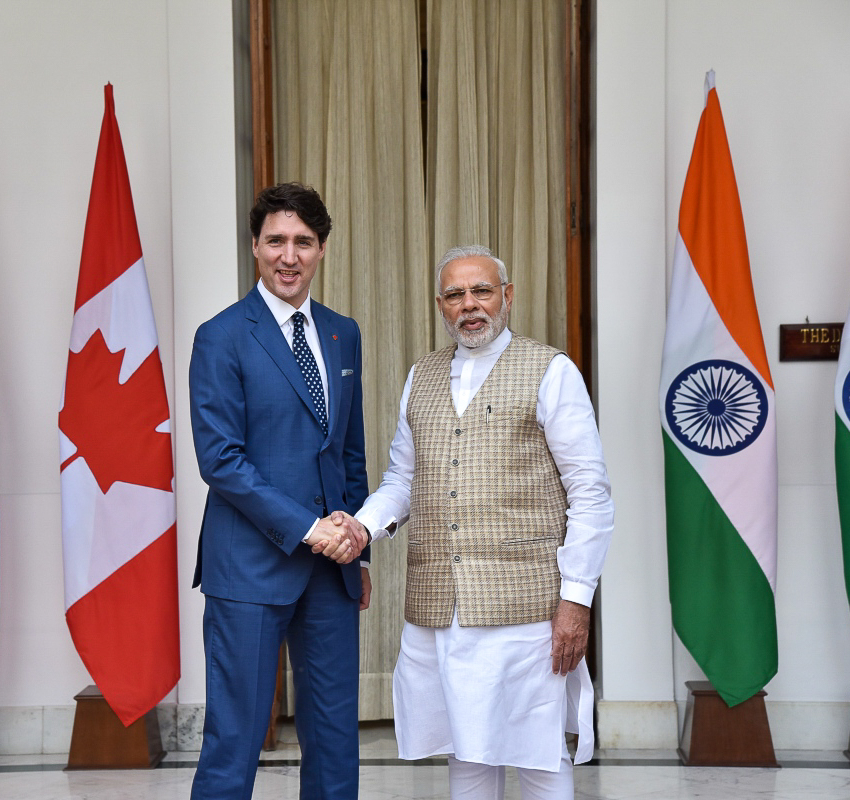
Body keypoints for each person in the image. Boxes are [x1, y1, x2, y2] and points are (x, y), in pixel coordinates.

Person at [334, 245, 613, 800]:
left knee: (538, 752)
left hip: (526, 609)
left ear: (506, 297)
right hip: (442, 607)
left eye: (481, 291)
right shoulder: (423, 375)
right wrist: (361, 526)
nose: (470, 305)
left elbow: (591, 493)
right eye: (456, 295)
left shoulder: (551, 370)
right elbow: (402, 480)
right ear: (441, 305)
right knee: (464, 748)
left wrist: (577, 599)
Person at [188, 182, 371, 800]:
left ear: (321, 250)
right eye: (276, 242)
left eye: (303, 242)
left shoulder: (344, 333)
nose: (288, 256)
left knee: (334, 736)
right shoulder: (221, 336)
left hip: (331, 570)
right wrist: (307, 527)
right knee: (235, 737)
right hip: (249, 566)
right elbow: (221, 460)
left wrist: (357, 547)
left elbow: (348, 452)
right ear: (256, 249)